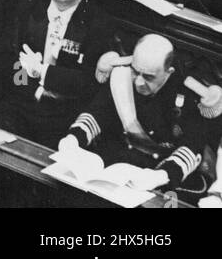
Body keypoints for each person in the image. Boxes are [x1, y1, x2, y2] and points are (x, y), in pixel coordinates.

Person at [58, 33, 208, 192]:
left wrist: (161, 176)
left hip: (156, 175)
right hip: (113, 166)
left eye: (149, 77)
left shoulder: (188, 93)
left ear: (169, 71)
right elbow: (97, 113)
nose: (138, 82)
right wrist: (73, 139)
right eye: (135, 72)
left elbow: (192, 146)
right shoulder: (121, 75)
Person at [0, 0, 116, 146]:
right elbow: (10, 59)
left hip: (63, 114)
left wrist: (41, 71)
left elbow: (88, 83)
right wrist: (26, 82)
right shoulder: (29, 7)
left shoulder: (98, 24)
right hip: (22, 102)